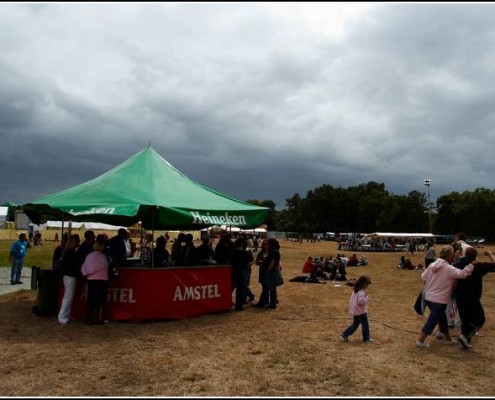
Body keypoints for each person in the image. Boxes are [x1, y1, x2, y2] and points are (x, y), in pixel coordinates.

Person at [415, 245, 475, 348]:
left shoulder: (432, 264)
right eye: (453, 255)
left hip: (429, 297)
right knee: (432, 320)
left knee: (442, 318)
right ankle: (420, 341)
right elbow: (463, 274)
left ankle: (448, 339)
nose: (454, 257)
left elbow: (423, 277)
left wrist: (433, 282)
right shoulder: (449, 268)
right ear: (449, 256)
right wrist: (471, 265)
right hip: (439, 300)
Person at [455, 247, 495, 349]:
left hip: (459, 295)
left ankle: (464, 341)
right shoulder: (478, 265)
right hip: (472, 296)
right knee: (480, 318)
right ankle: (465, 336)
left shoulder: (459, 263)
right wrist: (490, 254)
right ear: (475, 255)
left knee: (465, 319)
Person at [81, 234, 109, 324]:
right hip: (103, 280)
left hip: (92, 280)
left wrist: (85, 272)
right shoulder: (104, 256)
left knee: (91, 301)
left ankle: (90, 318)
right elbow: (107, 265)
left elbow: (85, 268)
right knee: (101, 300)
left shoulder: (89, 256)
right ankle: (100, 318)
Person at [340, 275, 374, 343]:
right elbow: (360, 302)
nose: (367, 286)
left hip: (356, 311)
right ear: (363, 284)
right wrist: (366, 296)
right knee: (365, 325)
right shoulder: (361, 292)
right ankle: (366, 338)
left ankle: (345, 334)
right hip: (361, 312)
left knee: (355, 324)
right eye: (367, 284)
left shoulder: (356, 290)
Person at [57, 234, 81, 325]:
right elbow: (71, 265)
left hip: (69, 276)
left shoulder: (68, 251)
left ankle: (65, 315)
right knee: (68, 297)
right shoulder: (71, 252)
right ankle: (62, 316)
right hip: (70, 276)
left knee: (68, 297)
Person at [257, 238, 281, 309]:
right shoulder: (275, 251)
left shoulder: (273, 251)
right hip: (271, 271)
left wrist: (267, 271)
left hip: (271, 272)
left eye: (268, 243)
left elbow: (272, 262)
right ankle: (270, 303)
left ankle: (272, 304)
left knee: (272, 288)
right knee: (271, 288)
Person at [231, 237, 252, 311]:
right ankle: (239, 306)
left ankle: (227, 303)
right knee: (240, 290)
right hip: (242, 273)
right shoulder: (244, 253)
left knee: (230, 288)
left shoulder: (232, 252)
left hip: (233, 273)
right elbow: (248, 264)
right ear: (242, 244)